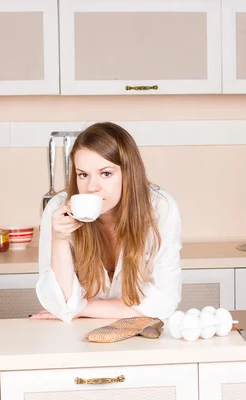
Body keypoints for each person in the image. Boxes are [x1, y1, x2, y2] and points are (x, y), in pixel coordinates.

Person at [31, 122, 182, 322]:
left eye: (106, 173)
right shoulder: (58, 210)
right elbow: (62, 305)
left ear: (129, 173)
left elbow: (164, 303)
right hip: (80, 334)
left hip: (139, 331)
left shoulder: (160, 208)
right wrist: (59, 239)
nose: (92, 186)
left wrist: (82, 308)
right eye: (83, 175)